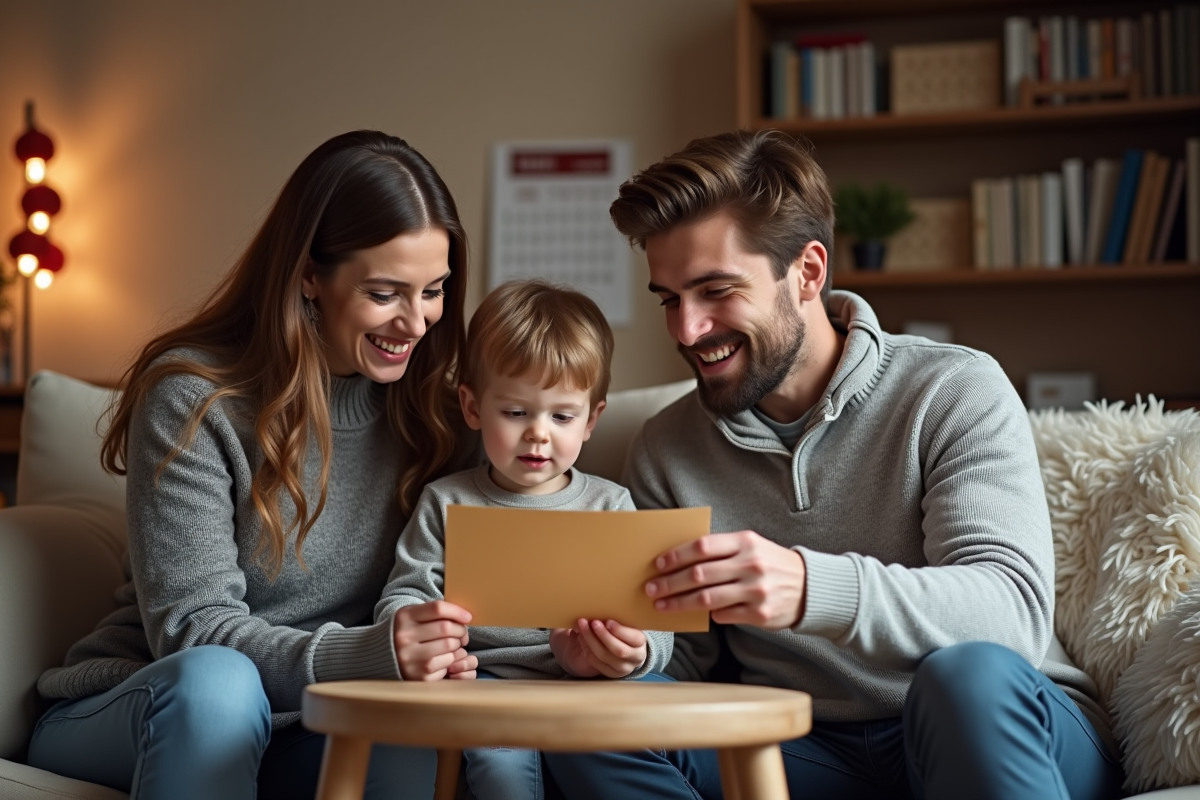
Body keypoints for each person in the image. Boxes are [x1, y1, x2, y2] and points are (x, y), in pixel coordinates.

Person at [542, 130, 1125, 800]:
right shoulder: (666, 447)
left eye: (716, 290)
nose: (686, 329)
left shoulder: (952, 389)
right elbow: (691, 660)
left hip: (995, 725)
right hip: (806, 749)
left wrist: (810, 587)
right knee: (600, 721)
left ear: (809, 272)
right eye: (670, 298)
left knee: (964, 679)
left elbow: (1009, 615)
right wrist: (630, 652)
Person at [27, 130, 481, 800]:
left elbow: (533, 514)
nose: (417, 322)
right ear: (307, 276)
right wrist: (369, 654)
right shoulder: (192, 396)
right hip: (156, 705)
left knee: (410, 747)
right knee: (220, 688)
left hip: (313, 725)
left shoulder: (444, 410)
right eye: (386, 293)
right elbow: (193, 629)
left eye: (434, 290)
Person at [377, 279, 674, 800]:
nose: (538, 433)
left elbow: (655, 623)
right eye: (515, 413)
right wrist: (428, 643)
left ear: (591, 421)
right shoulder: (447, 501)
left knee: (645, 731)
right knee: (500, 773)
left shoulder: (611, 505)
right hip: (485, 684)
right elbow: (404, 596)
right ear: (472, 408)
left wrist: (636, 651)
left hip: (591, 688)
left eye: (562, 416)